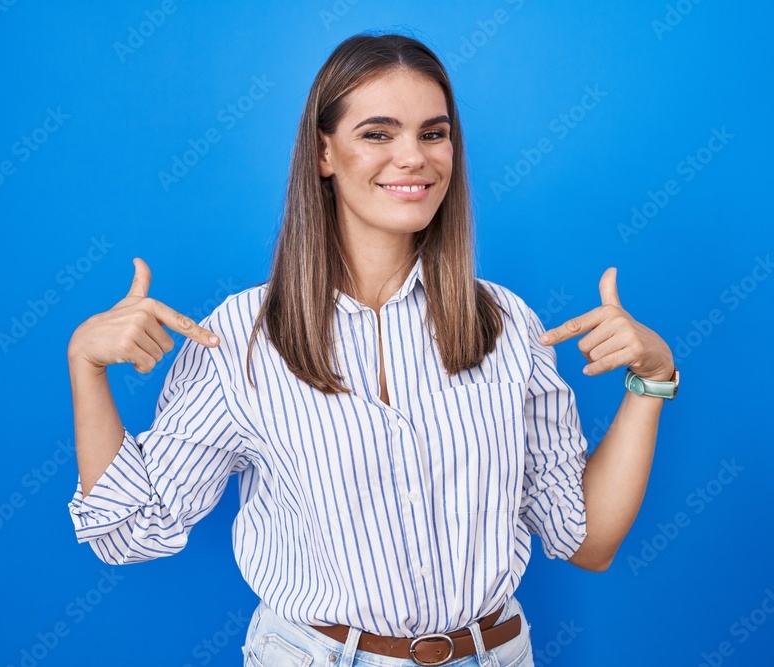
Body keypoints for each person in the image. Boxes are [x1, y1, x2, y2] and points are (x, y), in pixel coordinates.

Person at [65, 31, 677, 667]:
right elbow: (127, 531)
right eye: (378, 133)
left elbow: (590, 541)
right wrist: (86, 367)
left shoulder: (507, 325)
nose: (412, 157)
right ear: (324, 151)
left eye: (433, 134)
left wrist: (652, 381)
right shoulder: (242, 336)